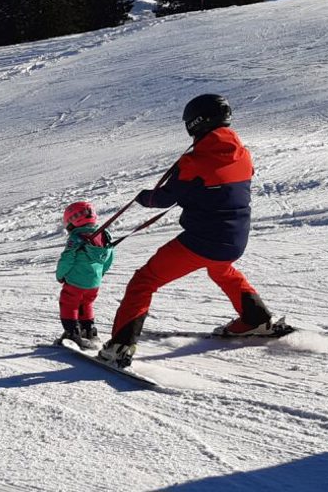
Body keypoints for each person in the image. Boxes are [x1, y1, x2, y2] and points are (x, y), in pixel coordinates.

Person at [99, 94, 275, 367]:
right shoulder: (243, 154)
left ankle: (120, 345)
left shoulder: (194, 161)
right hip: (236, 239)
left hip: (202, 241)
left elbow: (163, 198)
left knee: (143, 281)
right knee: (222, 269)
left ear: (195, 122)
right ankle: (256, 319)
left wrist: (143, 197)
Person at [55, 201, 114, 350]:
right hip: (94, 282)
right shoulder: (104, 235)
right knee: (86, 303)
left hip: (76, 280)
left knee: (69, 303)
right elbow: (109, 257)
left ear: (73, 221)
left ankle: (72, 332)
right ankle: (89, 331)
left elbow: (67, 258)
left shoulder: (76, 238)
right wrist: (99, 274)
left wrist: (60, 275)